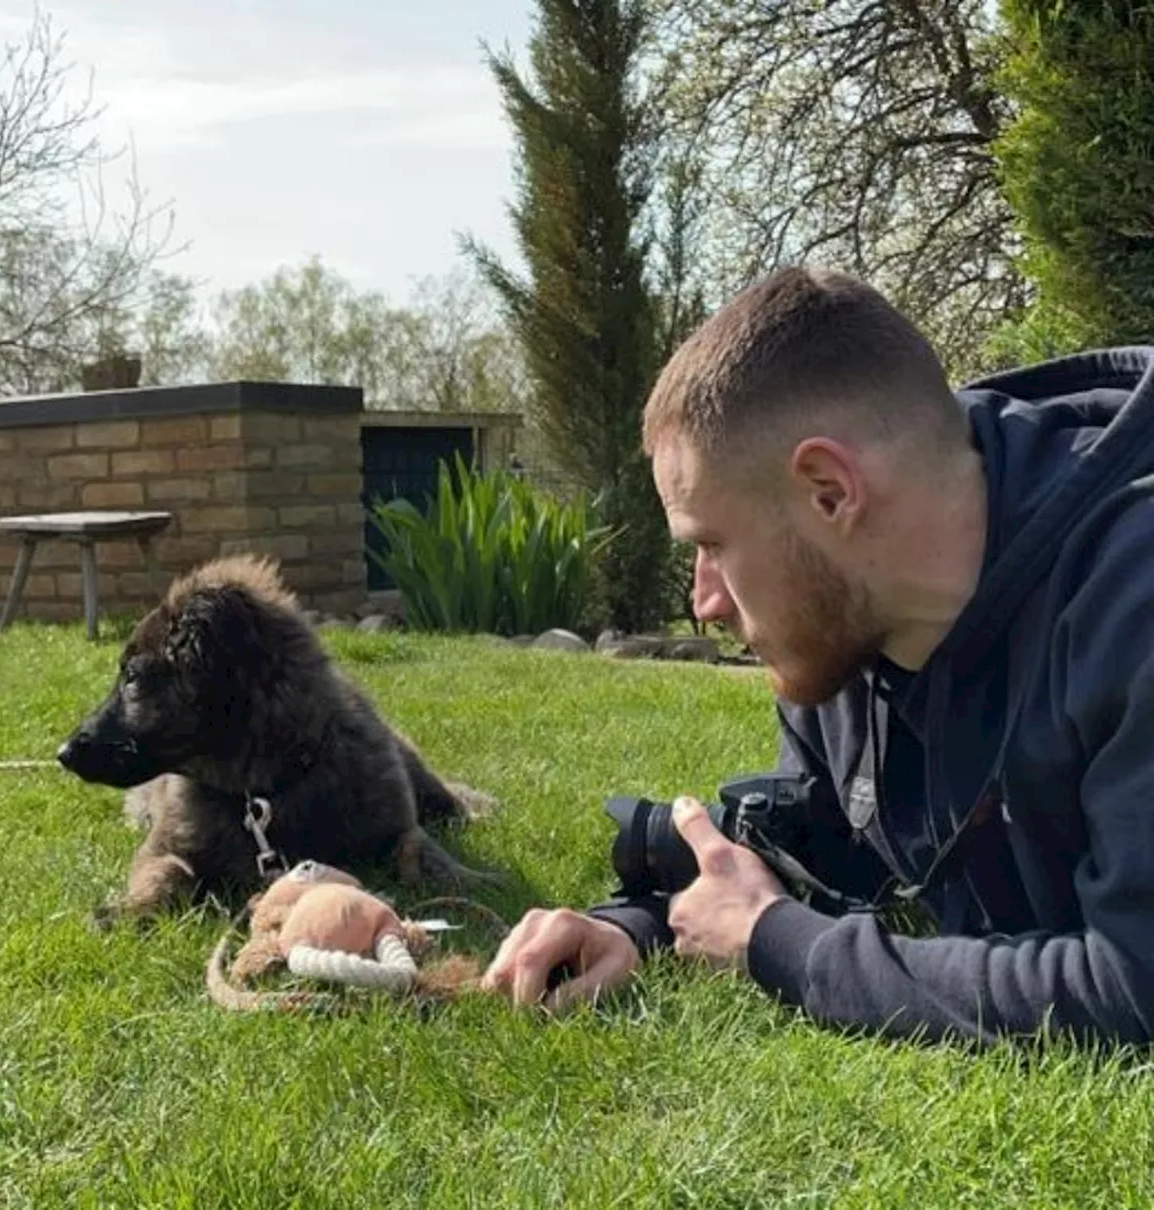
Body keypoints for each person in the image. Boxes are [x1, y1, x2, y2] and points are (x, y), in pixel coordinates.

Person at [480, 265, 1154, 1048]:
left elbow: (1134, 989)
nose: (705, 600)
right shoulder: (845, 622)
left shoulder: (1131, 596)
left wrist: (783, 950)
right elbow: (814, 847)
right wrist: (642, 924)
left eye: (712, 545)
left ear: (830, 491)